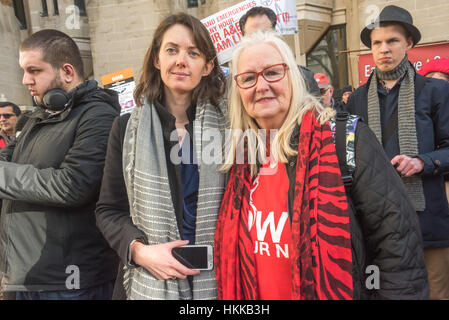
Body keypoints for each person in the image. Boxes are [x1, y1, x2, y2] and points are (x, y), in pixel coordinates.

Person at [214, 30, 428, 300]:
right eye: (248, 78)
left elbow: (399, 251)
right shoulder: (240, 158)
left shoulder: (345, 140)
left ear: (291, 76)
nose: (261, 86)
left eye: (272, 73)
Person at [95, 13, 227, 300]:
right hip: (151, 279)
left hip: (220, 280)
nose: (181, 60)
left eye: (193, 52)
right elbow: (108, 210)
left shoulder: (230, 128)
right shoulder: (126, 128)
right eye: (172, 50)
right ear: (157, 60)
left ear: (207, 66)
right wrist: (140, 251)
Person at [0, 29, 120, 300]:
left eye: (34, 70)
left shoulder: (98, 116)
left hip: (70, 283)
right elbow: (8, 156)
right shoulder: (37, 117)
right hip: (24, 278)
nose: (25, 80)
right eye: (23, 70)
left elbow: (73, 185)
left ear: (67, 71)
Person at [346, 5, 449, 300]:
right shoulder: (356, 99)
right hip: (375, 226)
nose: (384, 49)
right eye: (377, 43)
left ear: (409, 44)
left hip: (427, 222)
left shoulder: (434, 91)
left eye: (392, 41)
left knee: (435, 294)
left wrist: (422, 162)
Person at [239, 6, 320, 98]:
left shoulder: (304, 78)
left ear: (276, 34)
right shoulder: (230, 85)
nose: (262, 87)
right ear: (243, 39)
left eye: (265, 33)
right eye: (253, 35)